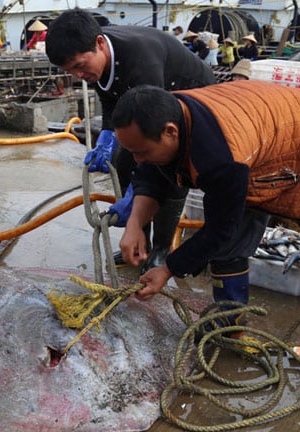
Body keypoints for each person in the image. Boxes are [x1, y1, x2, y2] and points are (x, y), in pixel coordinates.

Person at [111, 82, 300, 381]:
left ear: (171, 132)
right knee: (230, 246)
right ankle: (229, 320)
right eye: (131, 151)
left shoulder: (218, 156)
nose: (137, 158)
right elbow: (150, 174)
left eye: (142, 151)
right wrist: (135, 223)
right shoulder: (161, 117)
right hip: (257, 146)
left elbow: (218, 230)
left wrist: (167, 269)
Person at [46, 8, 216, 270]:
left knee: (169, 168)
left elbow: (153, 137)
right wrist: (106, 139)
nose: (77, 75)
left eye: (79, 66)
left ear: (100, 44)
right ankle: (142, 244)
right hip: (152, 97)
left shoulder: (141, 62)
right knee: (124, 159)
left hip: (192, 96)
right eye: (70, 70)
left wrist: (137, 197)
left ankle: (161, 249)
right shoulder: (96, 59)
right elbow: (110, 97)